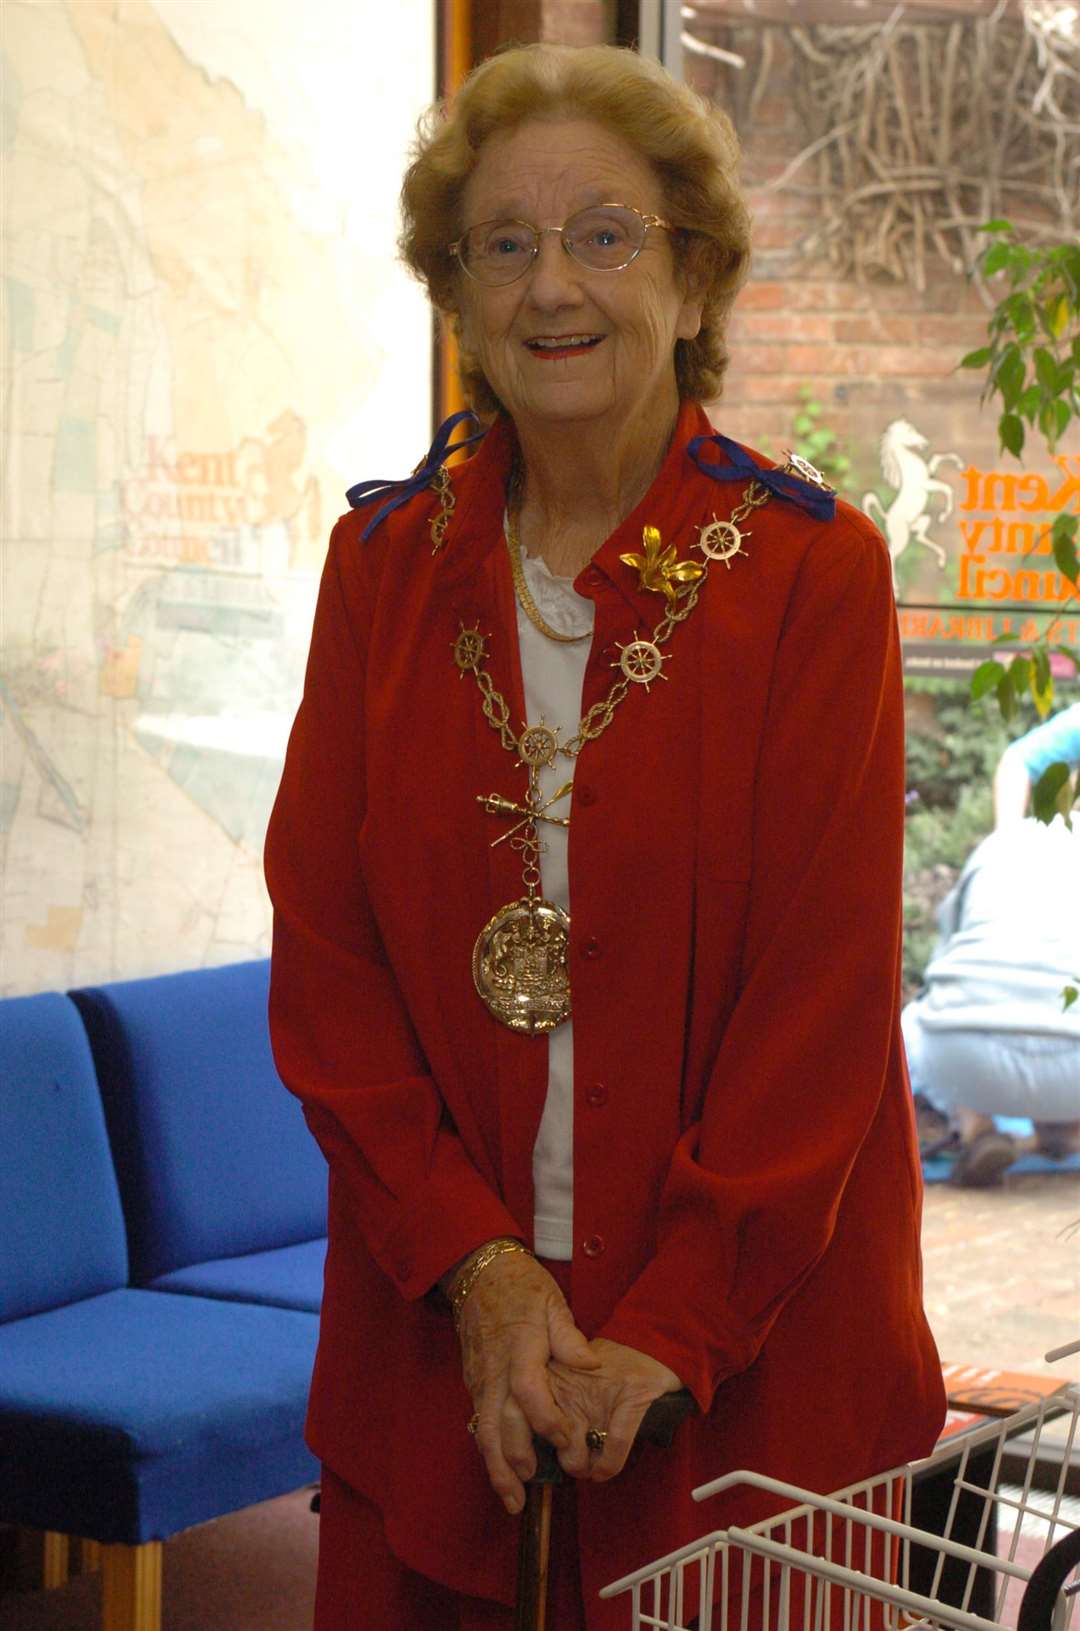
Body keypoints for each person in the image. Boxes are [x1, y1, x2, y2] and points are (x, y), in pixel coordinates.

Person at [265, 43, 944, 1630]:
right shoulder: (381, 570)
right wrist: (482, 1269)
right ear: (458, 292)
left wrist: (676, 1321)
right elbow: (330, 956)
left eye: (606, 235)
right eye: (503, 243)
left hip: (752, 1342)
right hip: (439, 1314)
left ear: (694, 282)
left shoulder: (810, 578)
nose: (551, 284)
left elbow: (821, 1000)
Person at [904, 707, 1080, 1188]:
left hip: (966, 1058)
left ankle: (977, 1124)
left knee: (919, 1019)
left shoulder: (997, 854)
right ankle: (1065, 1128)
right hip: (1075, 1067)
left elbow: (943, 970)